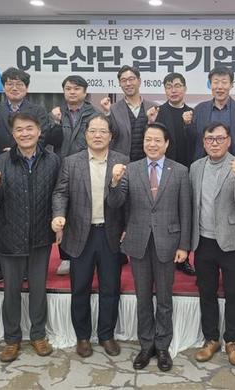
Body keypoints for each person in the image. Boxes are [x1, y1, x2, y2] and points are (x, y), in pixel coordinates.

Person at [108, 123, 191, 372]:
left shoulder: (180, 171)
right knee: (142, 297)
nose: (152, 144)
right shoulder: (131, 169)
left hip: (168, 242)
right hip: (138, 241)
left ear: (166, 144)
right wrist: (114, 182)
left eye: (157, 140)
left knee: (164, 298)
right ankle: (146, 345)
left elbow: (185, 211)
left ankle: (163, 346)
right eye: (148, 140)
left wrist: (184, 246)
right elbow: (116, 202)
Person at [0, 112, 61, 363]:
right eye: (19, 129)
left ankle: (38, 335)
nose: (25, 133)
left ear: (39, 131)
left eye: (29, 128)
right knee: (11, 291)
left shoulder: (53, 161)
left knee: (38, 289)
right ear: (13, 134)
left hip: (41, 236)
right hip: (9, 236)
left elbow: (59, 194)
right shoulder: (0, 161)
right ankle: (12, 339)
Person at [51, 114, 128, 358]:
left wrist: (128, 226)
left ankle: (106, 335)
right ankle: (82, 337)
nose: (97, 135)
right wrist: (58, 215)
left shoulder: (122, 161)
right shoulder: (71, 162)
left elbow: (126, 200)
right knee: (80, 288)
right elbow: (60, 193)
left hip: (110, 234)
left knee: (110, 288)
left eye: (103, 131)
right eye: (93, 131)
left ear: (110, 136)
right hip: (79, 234)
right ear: (85, 135)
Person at [0, 67, 54, 283]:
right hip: (1, 167)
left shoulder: (37, 110)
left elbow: (43, 136)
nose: (14, 87)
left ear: (27, 88)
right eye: (9, 84)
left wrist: (20, 150)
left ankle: (27, 268)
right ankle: (0, 267)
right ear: (3, 87)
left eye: (19, 84)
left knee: (26, 216)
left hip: (30, 165)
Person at [190, 122, 235, 367]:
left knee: (233, 292)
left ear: (229, 141)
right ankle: (211, 339)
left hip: (231, 240)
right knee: (206, 291)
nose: (214, 143)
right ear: (203, 142)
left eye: (219, 138)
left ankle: (232, 341)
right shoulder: (195, 167)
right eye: (209, 139)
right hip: (203, 240)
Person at [50, 75, 98, 276]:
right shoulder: (56, 112)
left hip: (86, 166)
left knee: (84, 209)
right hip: (61, 166)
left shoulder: (94, 113)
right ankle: (65, 257)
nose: (72, 92)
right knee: (63, 210)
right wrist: (55, 122)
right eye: (68, 88)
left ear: (85, 92)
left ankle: (88, 254)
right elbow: (50, 140)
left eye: (77, 88)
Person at [155, 72, 196, 276]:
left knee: (185, 213)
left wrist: (189, 125)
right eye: (169, 86)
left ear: (185, 89)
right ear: (165, 90)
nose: (173, 90)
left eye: (177, 85)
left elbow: (198, 142)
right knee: (165, 213)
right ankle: (163, 254)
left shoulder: (193, 113)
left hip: (187, 171)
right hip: (163, 172)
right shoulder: (158, 112)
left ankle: (183, 257)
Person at [185, 66, 235, 163]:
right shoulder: (200, 109)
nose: (220, 87)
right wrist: (188, 124)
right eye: (216, 82)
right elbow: (194, 141)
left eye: (224, 82)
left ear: (231, 85)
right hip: (205, 165)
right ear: (210, 85)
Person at [101, 65, 158, 162]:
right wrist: (107, 112)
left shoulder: (153, 107)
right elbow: (111, 135)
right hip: (122, 163)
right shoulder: (113, 109)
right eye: (123, 80)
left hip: (148, 162)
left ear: (139, 81)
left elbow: (159, 136)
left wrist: (151, 122)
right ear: (120, 84)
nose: (128, 83)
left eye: (131, 79)